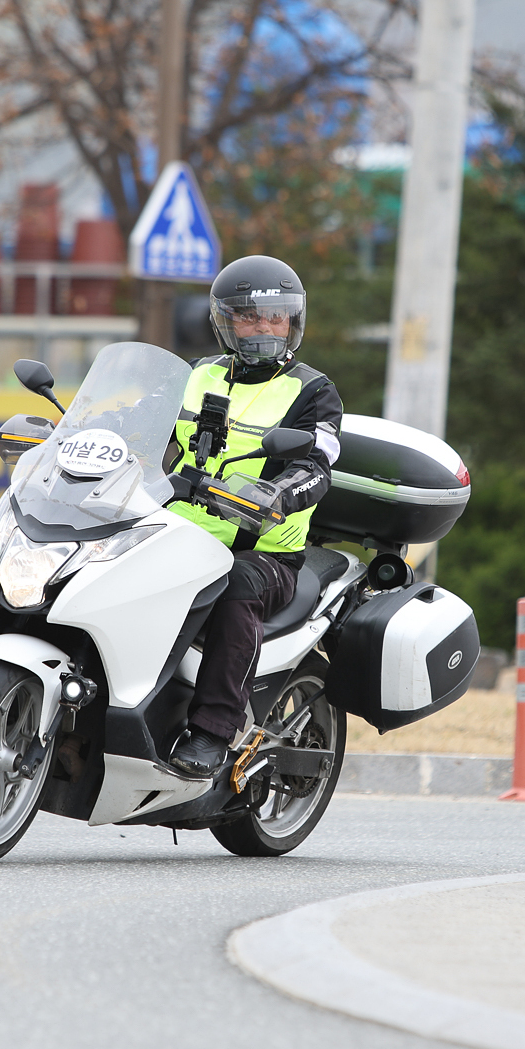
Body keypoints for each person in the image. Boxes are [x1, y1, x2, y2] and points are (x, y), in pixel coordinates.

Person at [165, 255, 342, 778]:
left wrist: (278, 495)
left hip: (263, 554)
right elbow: (143, 431)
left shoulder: (314, 391)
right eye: (249, 316)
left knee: (236, 583)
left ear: (293, 321)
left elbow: (318, 465)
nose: (264, 327)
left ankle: (213, 730)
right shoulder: (196, 375)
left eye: (276, 316)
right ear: (225, 321)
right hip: (177, 535)